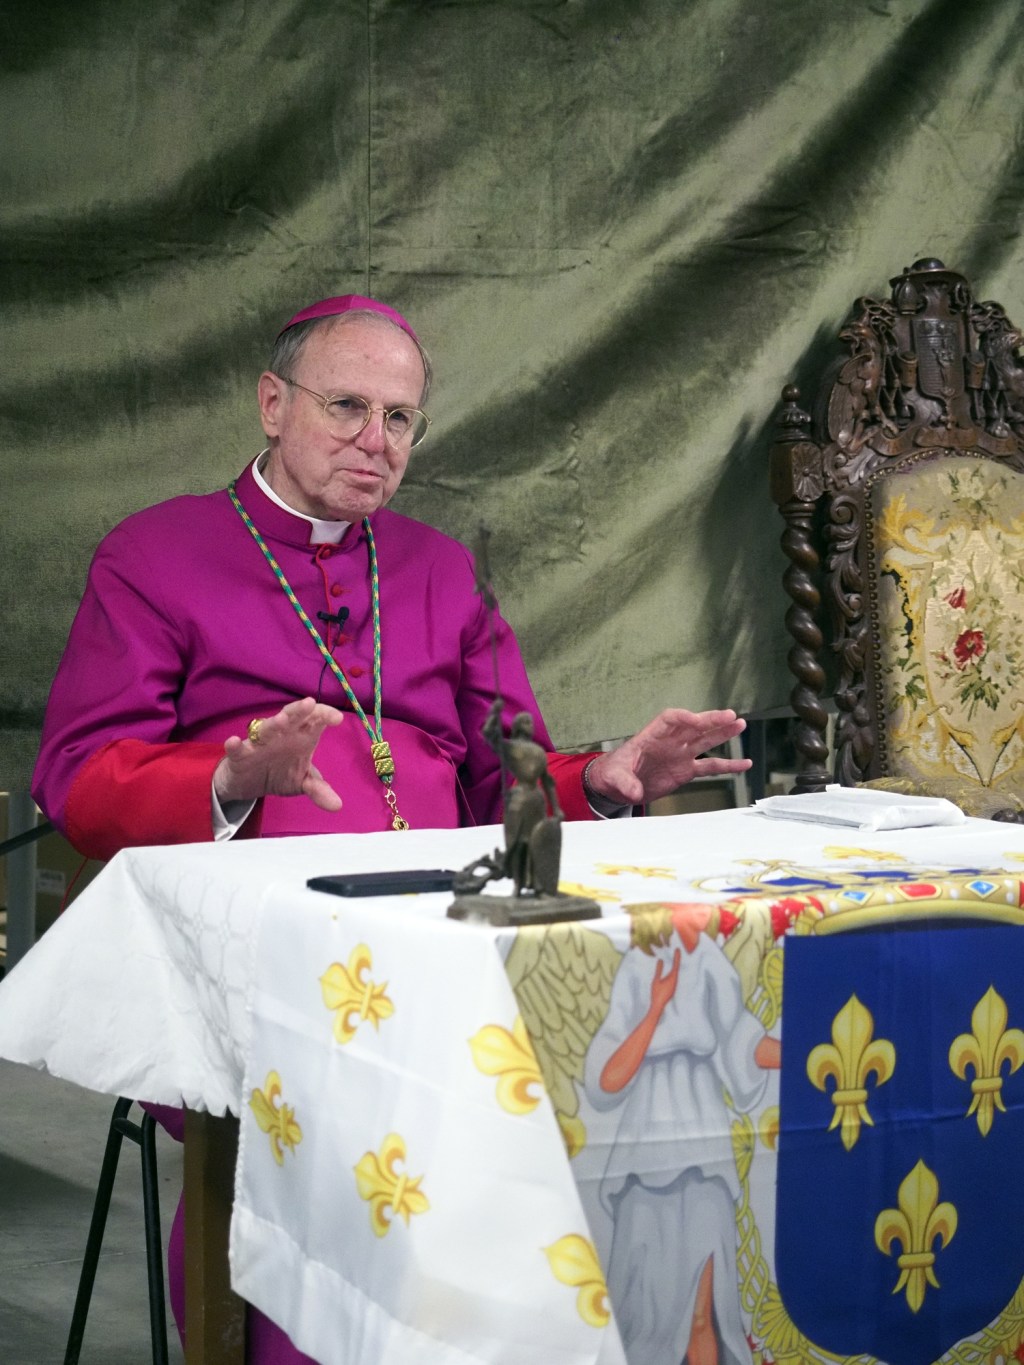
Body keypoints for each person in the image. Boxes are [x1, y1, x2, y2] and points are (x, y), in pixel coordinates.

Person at [32, 293, 752, 1363]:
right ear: (272, 404)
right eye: (348, 407)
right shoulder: (154, 555)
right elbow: (80, 782)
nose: (378, 442)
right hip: (264, 952)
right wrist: (228, 776)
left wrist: (598, 777)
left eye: (402, 419)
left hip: (451, 932)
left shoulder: (437, 567)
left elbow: (507, 770)